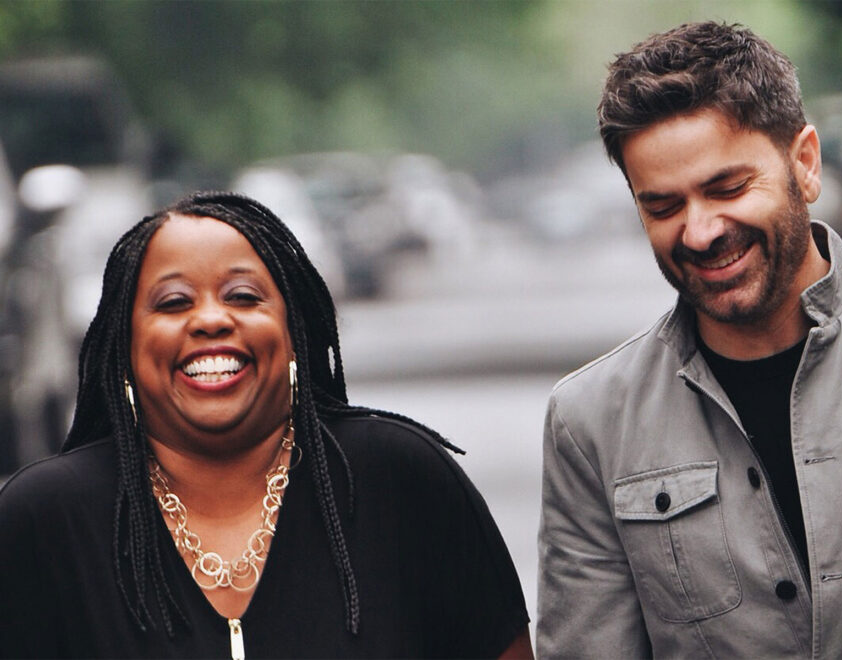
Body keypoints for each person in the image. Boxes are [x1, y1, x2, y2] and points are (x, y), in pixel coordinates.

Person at [538, 21, 842, 658]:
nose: (700, 232)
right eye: (663, 207)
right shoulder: (591, 422)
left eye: (727, 188)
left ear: (804, 164)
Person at [0, 191, 532, 658]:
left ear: (294, 331)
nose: (212, 319)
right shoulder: (43, 518)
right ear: (126, 347)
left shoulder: (402, 480)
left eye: (243, 296)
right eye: (174, 302)